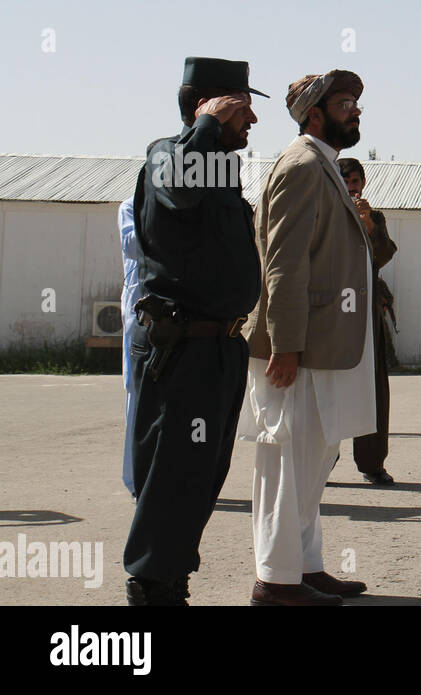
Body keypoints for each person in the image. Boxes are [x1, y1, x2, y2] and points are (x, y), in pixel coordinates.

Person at [124, 57, 266, 605]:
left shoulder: (217, 168)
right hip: (183, 348)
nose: (252, 119)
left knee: (201, 477)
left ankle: (170, 578)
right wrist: (206, 123)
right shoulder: (169, 154)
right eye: (242, 107)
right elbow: (180, 192)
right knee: (173, 476)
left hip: (218, 347)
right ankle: (151, 588)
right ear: (211, 102)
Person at [239, 68, 374, 606]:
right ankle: (275, 580)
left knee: (316, 458)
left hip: (324, 347)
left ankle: (305, 566)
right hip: (298, 348)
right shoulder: (301, 165)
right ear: (314, 114)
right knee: (286, 461)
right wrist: (285, 344)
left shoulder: (324, 165)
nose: (356, 112)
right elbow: (284, 264)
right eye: (345, 104)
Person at [338, 157, 398, 486]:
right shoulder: (326, 212)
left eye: (356, 180)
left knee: (373, 387)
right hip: (333, 310)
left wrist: (370, 226)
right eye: (346, 180)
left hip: (366, 312)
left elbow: (384, 254)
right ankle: (321, 464)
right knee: (329, 386)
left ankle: (372, 463)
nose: (352, 186)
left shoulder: (375, 217)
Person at [118, 197, 142, 499]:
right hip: (139, 312)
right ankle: (135, 479)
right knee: (136, 392)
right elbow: (134, 245)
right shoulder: (130, 206)